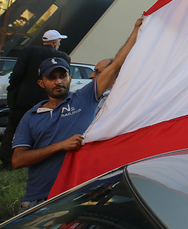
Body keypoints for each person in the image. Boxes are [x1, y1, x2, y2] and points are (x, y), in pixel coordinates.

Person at [11, 18, 142, 211]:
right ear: (42, 83)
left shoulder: (85, 98)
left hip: (78, 197)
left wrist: (136, 30)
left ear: (69, 78)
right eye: (51, 78)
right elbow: (17, 160)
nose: (58, 82)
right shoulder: (31, 116)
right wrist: (60, 146)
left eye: (62, 76)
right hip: (38, 201)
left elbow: (115, 66)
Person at [0, 30, 70, 170]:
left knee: (13, 128)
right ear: (55, 42)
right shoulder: (63, 56)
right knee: (46, 131)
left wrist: (13, 91)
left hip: (23, 99)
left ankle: (8, 160)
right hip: (48, 100)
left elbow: (17, 73)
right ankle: (42, 159)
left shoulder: (29, 51)